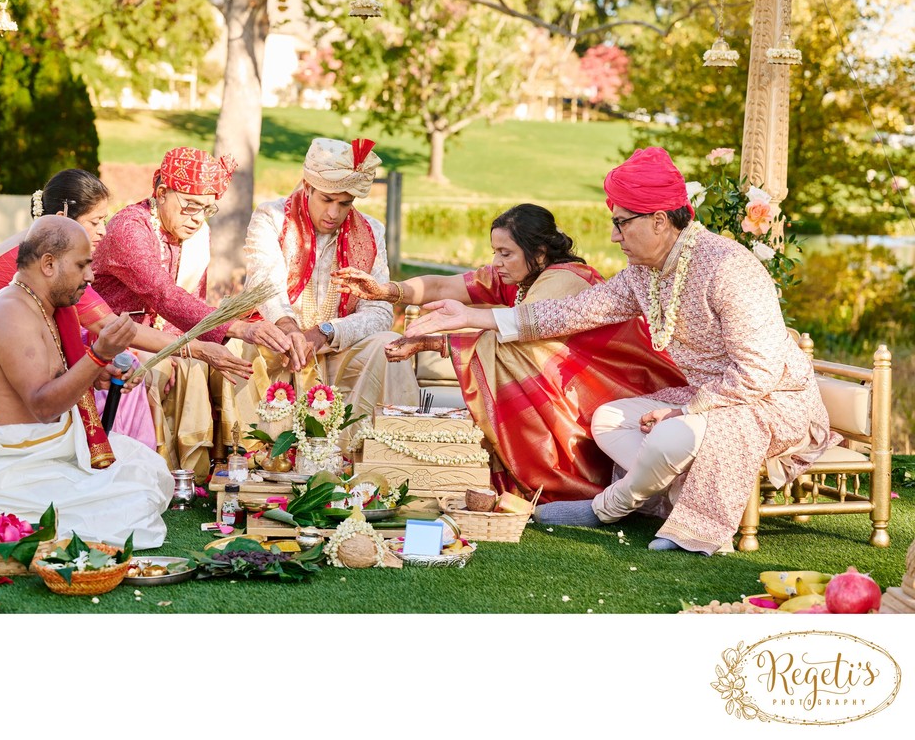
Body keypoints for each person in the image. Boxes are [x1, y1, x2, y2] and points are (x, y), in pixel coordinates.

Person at [404, 147, 834, 555]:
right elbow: (571, 313)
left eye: (622, 222)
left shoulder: (728, 268)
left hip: (767, 402)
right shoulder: (644, 273)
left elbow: (757, 375)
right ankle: (677, 486)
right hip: (705, 397)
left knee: (667, 435)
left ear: (660, 221)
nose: (613, 236)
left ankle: (607, 508)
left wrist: (687, 411)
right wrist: (468, 315)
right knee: (608, 420)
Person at [333, 203, 686, 503]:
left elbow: (521, 351)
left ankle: (565, 482)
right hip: (574, 394)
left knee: (509, 355)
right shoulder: (518, 276)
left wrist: (431, 344)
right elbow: (442, 285)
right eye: (495, 252)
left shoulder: (564, 279)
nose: (497, 263)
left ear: (540, 253)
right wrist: (385, 290)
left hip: (607, 391)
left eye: (506, 253)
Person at [0, 169, 252, 453]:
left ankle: (114, 464)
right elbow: (113, 326)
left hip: (34, 344)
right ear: (65, 216)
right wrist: (199, 348)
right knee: (103, 385)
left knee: (123, 376)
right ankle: (98, 467)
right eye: (96, 221)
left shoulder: (57, 251)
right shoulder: (41, 258)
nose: (103, 231)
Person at [0, 217, 174, 549]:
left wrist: (98, 375)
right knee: (133, 498)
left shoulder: (39, 305)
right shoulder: (12, 314)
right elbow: (43, 406)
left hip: (36, 450)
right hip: (6, 469)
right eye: (83, 265)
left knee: (146, 470)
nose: (90, 275)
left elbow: (47, 374)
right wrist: (98, 355)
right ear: (48, 264)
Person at [91, 147, 291, 480]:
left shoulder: (195, 236)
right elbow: (163, 295)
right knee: (192, 365)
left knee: (235, 357)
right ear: (161, 193)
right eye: (189, 206)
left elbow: (188, 303)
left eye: (206, 208)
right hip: (117, 337)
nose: (197, 218)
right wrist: (235, 326)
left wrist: (229, 336)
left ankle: (241, 461)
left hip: (169, 337)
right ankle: (173, 472)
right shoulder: (131, 229)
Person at [236, 137, 419, 441]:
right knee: (237, 346)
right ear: (306, 187)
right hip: (275, 345)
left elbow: (379, 312)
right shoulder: (272, 217)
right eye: (326, 199)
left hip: (336, 349)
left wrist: (325, 332)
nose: (334, 213)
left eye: (344, 203)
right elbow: (265, 284)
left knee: (389, 345)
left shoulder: (371, 231)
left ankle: (381, 454)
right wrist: (289, 329)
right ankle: (253, 455)